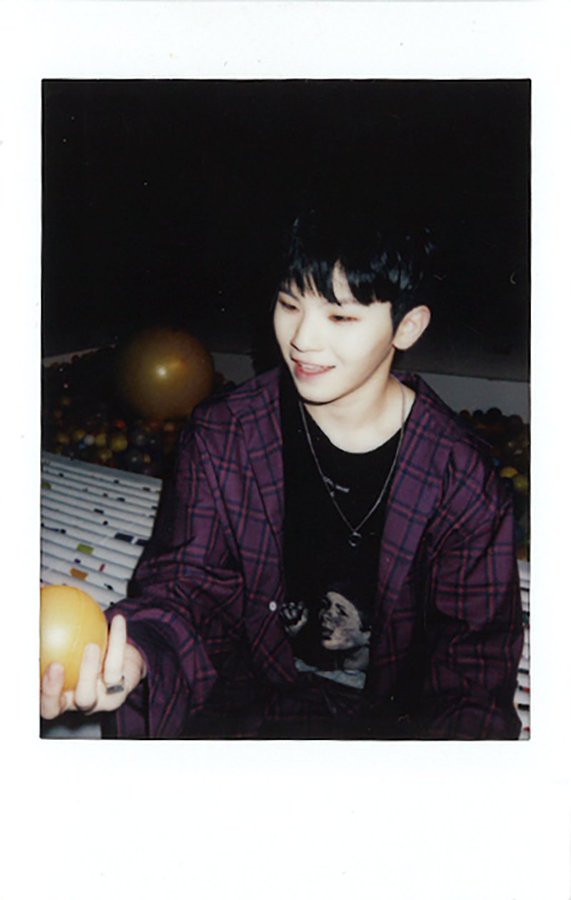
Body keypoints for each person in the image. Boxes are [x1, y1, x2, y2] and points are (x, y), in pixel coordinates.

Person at [40, 204, 524, 739]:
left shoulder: (462, 480)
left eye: (340, 317)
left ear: (407, 327)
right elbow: (185, 585)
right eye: (289, 304)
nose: (302, 340)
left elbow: (472, 670)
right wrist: (136, 657)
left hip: (391, 721)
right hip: (245, 690)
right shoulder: (225, 433)